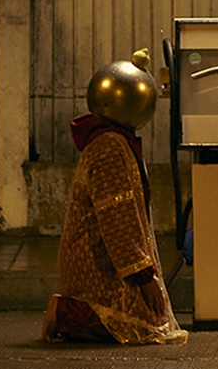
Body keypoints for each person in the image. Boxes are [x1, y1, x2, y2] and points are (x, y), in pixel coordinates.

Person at [42, 50, 188, 346]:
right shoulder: (109, 147)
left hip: (109, 256)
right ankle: (66, 313)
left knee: (151, 321)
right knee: (140, 326)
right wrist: (143, 275)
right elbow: (117, 215)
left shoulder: (113, 140)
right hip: (97, 258)